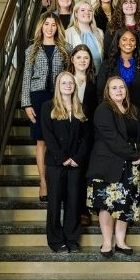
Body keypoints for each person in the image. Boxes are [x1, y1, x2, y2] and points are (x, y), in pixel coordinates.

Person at [87, 76, 140, 257]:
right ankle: (106, 242)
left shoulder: (133, 109)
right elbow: (112, 139)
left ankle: (120, 241)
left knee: (125, 205)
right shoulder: (103, 109)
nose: (119, 90)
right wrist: (135, 155)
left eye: (121, 87)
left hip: (129, 166)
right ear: (108, 91)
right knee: (106, 205)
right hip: (107, 165)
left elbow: (139, 136)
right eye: (114, 88)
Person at [40, 68, 89, 253]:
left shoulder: (81, 107)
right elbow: (48, 135)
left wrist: (77, 158)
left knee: (74, 202)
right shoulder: (48, 106)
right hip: (55, 162)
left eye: (71, 83)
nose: (68, 85)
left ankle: (72, 239)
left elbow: (86, 137)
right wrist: (63, 158)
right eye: (64, 83)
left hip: (76, 164)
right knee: (54, 203)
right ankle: (55, 240)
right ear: (58, 86)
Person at [21, 11, 67, 203]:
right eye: (46, 24)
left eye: (53, 24)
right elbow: (26, 78)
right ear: (41, 26)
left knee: (59, 139)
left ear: (58, 28)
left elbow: (68, 76)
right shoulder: (31, 50)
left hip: (58, 97)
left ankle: (58, 181)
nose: (50, 28)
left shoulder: (66, 49)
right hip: (38, 98)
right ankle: (43, 182)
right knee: (42, 142)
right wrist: (26, 103)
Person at [96, 29, 140, 130]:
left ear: (136, 44)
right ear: (118, 43)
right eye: (124, 39)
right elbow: (100, 93)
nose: (128, 43)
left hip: (137, 119)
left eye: (132, 40)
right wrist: (106, 117)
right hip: (112, 118)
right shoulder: (106, 65)